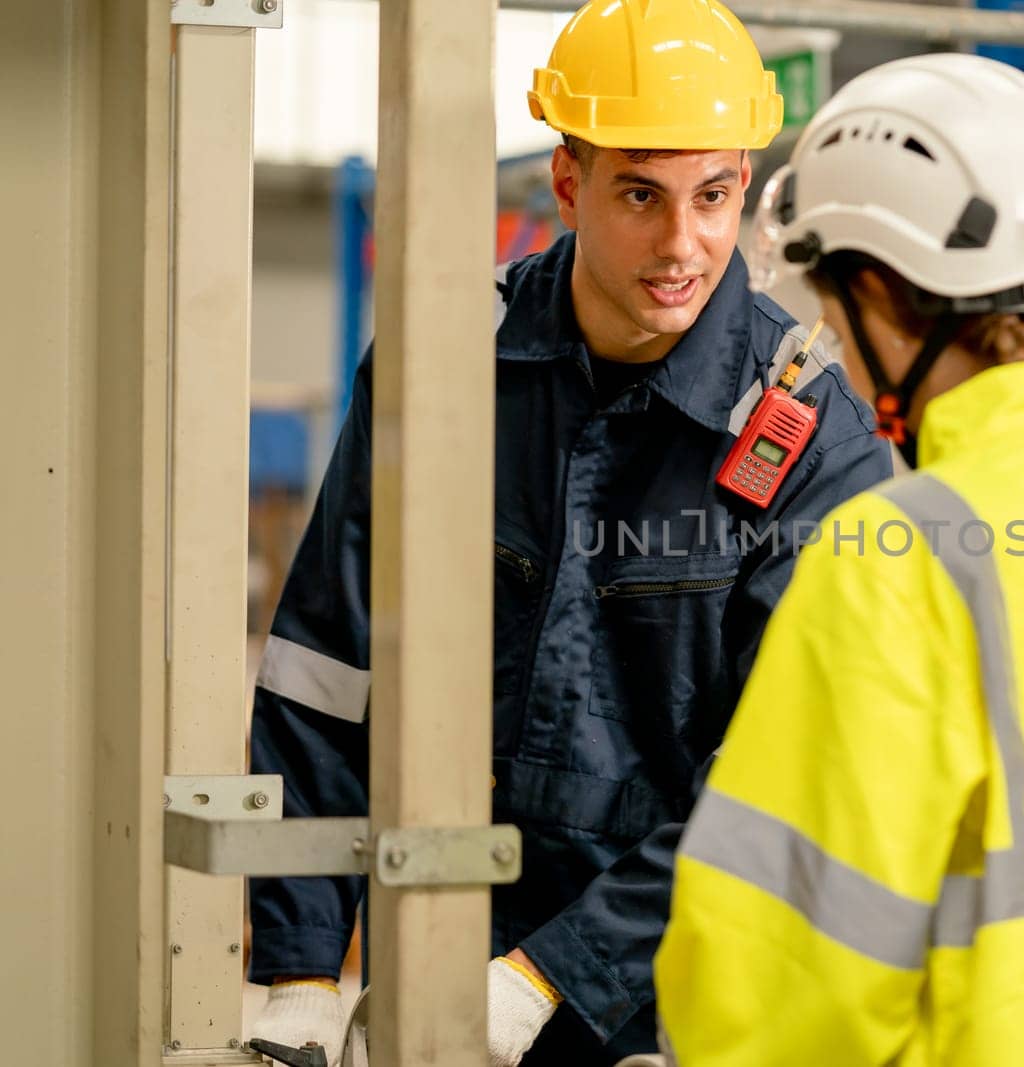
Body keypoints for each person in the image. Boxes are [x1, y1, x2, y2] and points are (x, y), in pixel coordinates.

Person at [245, 1, 892, 1063]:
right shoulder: (442, 362)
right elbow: (327, 664)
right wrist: (305, 970)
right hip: (441, 948)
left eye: (714, 195)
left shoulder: (811, 435)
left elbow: (782, 775)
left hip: (670, 996)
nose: (682, 245)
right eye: (641, 193)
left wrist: (553, 974)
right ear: (567, 180)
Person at [653, 53, 1024, 1065]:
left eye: (832, 308)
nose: (831, 349)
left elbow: (780, 978)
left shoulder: (897, 555)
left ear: (883, 290)